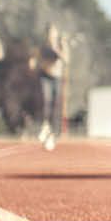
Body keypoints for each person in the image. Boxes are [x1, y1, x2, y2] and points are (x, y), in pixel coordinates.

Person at [30, 22, 69, 150]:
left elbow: (66, 60)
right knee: (45, 99)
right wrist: (33, 62)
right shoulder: (43, 47)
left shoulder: (60, 45)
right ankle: (44, 125)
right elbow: (36, 58)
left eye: (53, 33)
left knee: (55, 105)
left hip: (56, 78)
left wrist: (58, 48)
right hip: (44, 76)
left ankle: (52, 132)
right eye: (49, 33)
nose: (51, 35)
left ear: (56, 34)